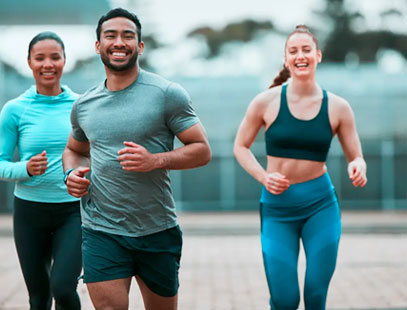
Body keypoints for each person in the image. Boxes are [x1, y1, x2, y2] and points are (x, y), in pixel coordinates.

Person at [62, 7, 211, 310]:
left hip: (156, 229)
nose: (119, 42)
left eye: (128, 36)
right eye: (111, 36)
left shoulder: (167, 93)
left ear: (140, 46)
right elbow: (75, 150)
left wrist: (155, 160)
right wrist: (70, 174)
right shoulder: (84, 104)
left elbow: (201, 150)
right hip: (101, 229)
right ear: (98, 46)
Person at [234, 25, 367, 310]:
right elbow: (240, 147)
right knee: (285, 300)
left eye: (306, 49)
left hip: (320, 206)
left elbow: (356, 155)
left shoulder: (338, 107)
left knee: (316, 295)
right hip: (277, 209)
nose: (300, 55)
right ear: (286, 60)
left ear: (318, 56)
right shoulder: (265, 102)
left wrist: (359, 166)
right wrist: (264, 176)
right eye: (293, 51)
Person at [0, 32, 82, 310]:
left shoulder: (80, 106)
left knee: (63, 288)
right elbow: (0, 163)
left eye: (55, 57)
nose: (48, 64)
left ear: (64, 61)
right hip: (29, 213)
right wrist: (25, 168)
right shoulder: (14, 110)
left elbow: (94, 154)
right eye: (40, 58)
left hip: (72, 212)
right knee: (39, 297)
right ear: (29, 63)